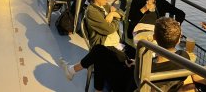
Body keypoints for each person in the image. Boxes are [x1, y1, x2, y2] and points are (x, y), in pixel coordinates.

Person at [59, 17, 190, 92]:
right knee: (109, 51)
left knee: (99, 52)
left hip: (126, 84)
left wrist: (135, 65)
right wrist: (136, 63)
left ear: (154, 36)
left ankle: (72, 71)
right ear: (178, 40)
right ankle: (72, 70)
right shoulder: (184, 57)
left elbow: (137, 77)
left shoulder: (144, 68)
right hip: (139, 76)